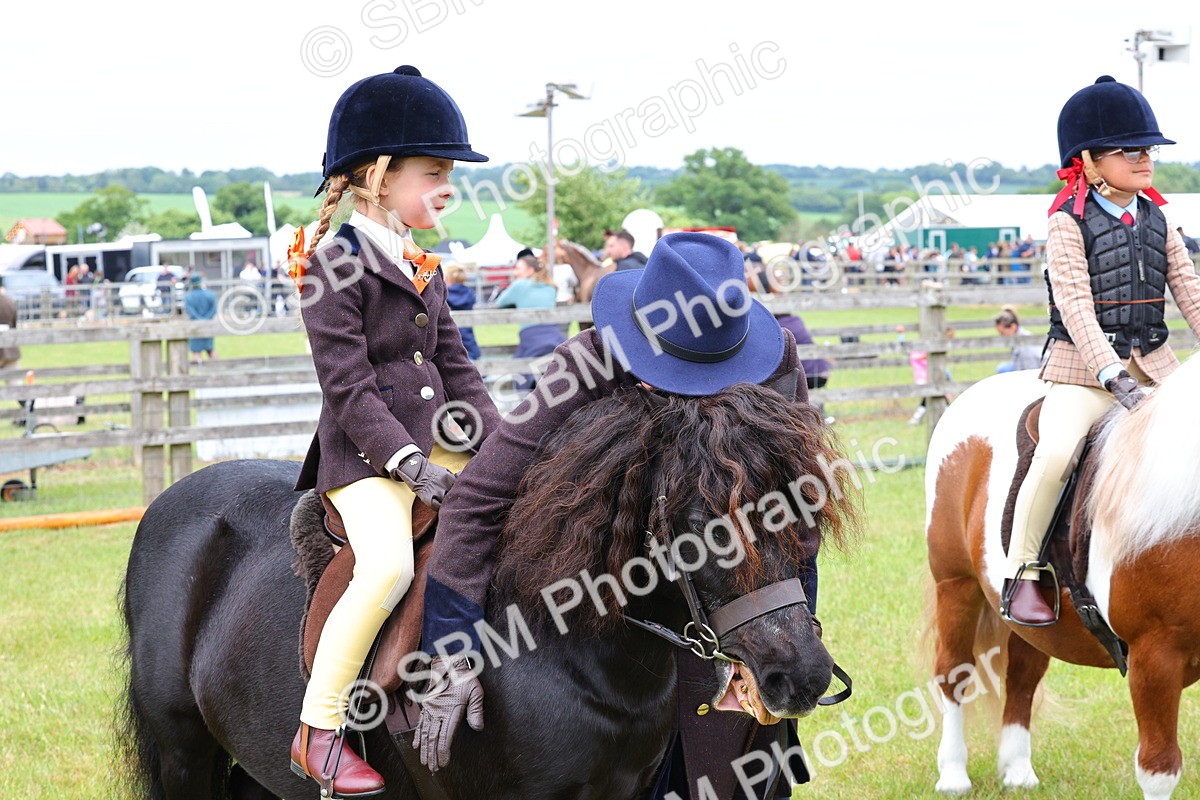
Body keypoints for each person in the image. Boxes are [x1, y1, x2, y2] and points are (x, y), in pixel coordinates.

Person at [419, 232, 824, 800]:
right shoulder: (585, 362)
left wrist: (780, 630)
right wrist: (452, 647)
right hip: (614, 579)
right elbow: (481, 495)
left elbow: (800, 504)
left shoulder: (777, 357)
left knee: (741, 755)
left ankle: (768, 752)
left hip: (743, 563)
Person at [287, 64, 502, 797]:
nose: (447, 189)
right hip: (365, 461)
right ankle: (318, 730)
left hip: (435, 444)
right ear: (378, 177)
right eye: (435, 173)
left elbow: (456, 368)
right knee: (390, 569)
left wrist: (504, 446)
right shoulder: (330, 268)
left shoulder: (422, 265)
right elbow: (346, 389)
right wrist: (410, 463)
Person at [1003, 76, 1200, 627]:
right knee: (1057, 454)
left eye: (1149, 150)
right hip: (1084, 374)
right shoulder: (1066, 223)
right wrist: (1111, 373)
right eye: (1130, 150)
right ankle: (1023, 569)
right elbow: (1074, 304)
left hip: (1157, 368)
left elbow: (1190, 292)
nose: (1146, 159)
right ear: (1088, 161)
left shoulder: (1159, 219)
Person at [494, 253, 565, 391]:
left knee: (520, 366)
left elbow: (500, 302)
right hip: (554, 333)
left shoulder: (520, 285)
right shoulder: (550, 286)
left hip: (531, 334)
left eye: (519, 268)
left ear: (530, 270)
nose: (515, 272)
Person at [444, 263, 481, 360]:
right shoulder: (470, 294)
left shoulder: (444, 295)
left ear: (448, 278)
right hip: (469, 340)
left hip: (450, 340)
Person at [993, 306, 1043, 373]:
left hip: (1036, 370)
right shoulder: (1018, 337)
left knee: (1003, 370)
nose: (1002, 336)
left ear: (1013, 327)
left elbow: (1030, 371)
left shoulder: (1025, 345)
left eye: (1003, 333)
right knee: (1003, 368)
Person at [183, 273, 217, 364]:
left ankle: (198, 371)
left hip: (195, 326)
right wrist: (206, 319)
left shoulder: (188, 297)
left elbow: (190, 311)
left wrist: (199, 320)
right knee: (211, 349)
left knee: (196, 352)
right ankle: (217, 368)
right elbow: (213, 309)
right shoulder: (210, 294)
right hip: (208, 325)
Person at [0, 275, 20, 384]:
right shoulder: (10, 302)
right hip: (10, 350)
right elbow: (14, 325)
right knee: (15, 386)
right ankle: (27, 400)